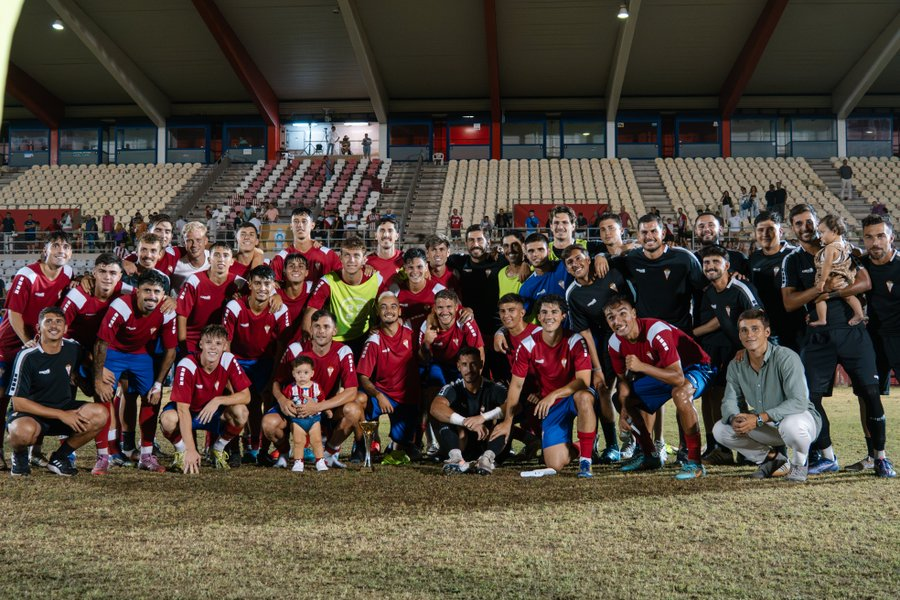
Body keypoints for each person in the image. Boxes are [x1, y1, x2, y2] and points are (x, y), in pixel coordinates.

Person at [782, 204, 888, 475]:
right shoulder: (792, 261)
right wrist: (820, 290)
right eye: (798, 223)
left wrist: (831, 294)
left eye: (809, 221)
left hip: (852, 332)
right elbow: (790, 303)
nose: (805, 228)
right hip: (818, 336)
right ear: (792, 228)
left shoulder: (842, 248)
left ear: (818, 223)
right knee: (810, 399)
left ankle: (879, 457)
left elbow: (865, 283)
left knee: (870, 393)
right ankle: (828, 456)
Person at [604, 295, 713, 480]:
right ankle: (650, 455)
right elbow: (623, 381)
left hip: (696, 367)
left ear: (634, 313)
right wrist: (624, 408)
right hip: (663, 372)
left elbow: (678, 378)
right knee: (623, 399)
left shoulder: (656, 331)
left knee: (680, 393)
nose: (617, 321)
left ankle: (695, 462)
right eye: (611, 317)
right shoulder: (614, 343)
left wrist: (641, 366)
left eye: (622, 314)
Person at [490, 295, 596, 478]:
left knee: (584, 397)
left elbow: (583, 382)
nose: (549, 317)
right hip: (551, 405)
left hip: (572, 396)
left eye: (554, 312)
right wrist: (507, 421)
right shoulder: (528, 345)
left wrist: (553, 394)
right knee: (554, 463)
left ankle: (586, 461)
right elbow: (516, 385)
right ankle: (584, 444)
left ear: (563, 316)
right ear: (538, 317)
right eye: (544, 312)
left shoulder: (575, 341)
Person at [713, 309, 822, 483]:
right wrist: (734, 418)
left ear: (767, 332)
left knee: (791, 425)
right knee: (721, 430)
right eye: (744, 330)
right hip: (768, 424)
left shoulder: (786, 357)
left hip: (800, 420)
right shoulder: (736, 364)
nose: (749, 335)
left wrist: (758, 418)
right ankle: (773, 460)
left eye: (755, 329)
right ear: (739, 335)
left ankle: (799, 464)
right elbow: (730, 400)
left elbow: (799, 401)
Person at [0, 231, 73, 465]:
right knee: (2, 397)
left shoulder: (68, 273)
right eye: (55, 245)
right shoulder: (27, 275)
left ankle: (35, 452)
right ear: (45, 250)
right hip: (9, 345)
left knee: (40, 396)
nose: (61, 250)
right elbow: (14, 313)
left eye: (66, 246)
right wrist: (26, 341)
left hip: (36, 348)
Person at [6, 307, 107, 477]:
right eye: (48, 321)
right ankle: (20, 456)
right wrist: (61, 414)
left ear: (65, 328)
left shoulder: (72, 347)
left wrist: (103, 372)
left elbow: (90, 360)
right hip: (31, 415)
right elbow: (18, 403)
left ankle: (59, 457)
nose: (54, 325)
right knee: (21, 432)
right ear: (38, 328)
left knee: (100, 413)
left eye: (59, 321)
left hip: (63, 407)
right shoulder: (27, 355)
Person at [93, 270, 178, 473]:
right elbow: (101, 343)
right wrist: (98, 378)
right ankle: (103, 456)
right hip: (114, 352)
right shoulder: (122, 306)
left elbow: (171, 351)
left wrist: (158, 384)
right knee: (103, 396)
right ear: (137, 291)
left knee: (152, 397)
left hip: (141, 354)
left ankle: (146, 455)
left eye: (156, 292)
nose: (152, 296)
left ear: (163, 295)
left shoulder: (167, 311)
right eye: (147, 290)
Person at [60, 253, 134, 474]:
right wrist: (78, 366)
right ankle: (65, 453)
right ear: (93, 273)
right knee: (65, 397)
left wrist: (169, 300)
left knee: (105, 393)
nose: (107, 277)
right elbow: (59, 330)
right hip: (71, 350)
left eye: (112, 272)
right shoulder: (78, 295)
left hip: (102, 351)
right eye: (102, 271)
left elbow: (150, 296)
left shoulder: (126, 291)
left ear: (119, 276)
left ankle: (110, 451)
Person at [693, 245, 762, 466]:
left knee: (738, 399)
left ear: (727, 265)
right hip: (721, 351)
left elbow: (759, 319)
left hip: (745, 352)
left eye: (716, 262)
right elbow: (718, 321)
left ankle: (749, 450)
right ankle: (720, 449)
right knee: (712, 395)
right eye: (706, 263)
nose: (710, 266)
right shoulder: (710, 292)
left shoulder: (741, 288)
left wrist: (747, 347)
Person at [266, 310, 362, 468]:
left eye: (326, 326)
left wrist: (318, 406)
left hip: (326, 409)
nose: (321, 331)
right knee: (269, 424)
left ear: (334, 331)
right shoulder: (296, 349)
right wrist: (282, 400)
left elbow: (351, 391)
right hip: (297, 409)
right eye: (317, 326)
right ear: (310, 329)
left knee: (354, 410)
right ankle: (284, 452)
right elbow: (276, 382)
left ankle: (329, 453)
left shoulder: (343, 351)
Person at [562, 244, 628, 463]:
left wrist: (602, 254)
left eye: (578, 258)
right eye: (569, 262)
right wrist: (597, 368)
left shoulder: (609, 270)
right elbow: (586, 334)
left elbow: (627, 249)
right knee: (603, 389)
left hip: (629, 336)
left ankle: (642, 444)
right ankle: (612, 446)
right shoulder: (573, 294)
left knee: (632, 389)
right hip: (603, 341)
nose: (575, 264)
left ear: (588, 259)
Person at [160, 325, 251, 473]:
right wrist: (190, 449)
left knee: (241, 412)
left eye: (218, 343)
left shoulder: (228, 359)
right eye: (208, 342)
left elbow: (246, 396)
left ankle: (218, 448)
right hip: (189, 413)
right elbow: (182, 410)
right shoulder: (186, 365)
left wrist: (218, 400)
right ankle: (181, 452)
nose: (213, 347)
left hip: (213, 413)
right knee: (168, 420)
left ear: (225, 346)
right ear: (201, 344)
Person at [223, 265, 290, 463]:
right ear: (250, 285)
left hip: (265, 362)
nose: (262, 288)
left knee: (267, 399)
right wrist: (229, 373)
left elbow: (282, 348)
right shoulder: (235, 306)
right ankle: (233, 449)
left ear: (273, 286)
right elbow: (226, 344)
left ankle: (261, 451)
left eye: (267, 284)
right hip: (238, 361)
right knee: (235, 400)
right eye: (258, 283)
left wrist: (274, 377)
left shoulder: (280, 309)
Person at [614, 213, 705, 333]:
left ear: (663, 233)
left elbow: (701, 293)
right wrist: (602, 255)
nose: (649, 236)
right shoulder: (632, 258)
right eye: (644, 232)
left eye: (653, 231)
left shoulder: (685, 258)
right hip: (646, 330)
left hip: (678, 330)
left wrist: (697, 327)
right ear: (638, 236)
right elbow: (611, 260)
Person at [858, 215, 899, 476]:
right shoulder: (860, 265)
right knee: (867, 395)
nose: (875, 242)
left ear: (891, 237)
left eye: (881, 236)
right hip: (872, 339)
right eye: (869, 237)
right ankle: (874, 455)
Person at [357, 292, 421, 461]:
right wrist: (378, 395)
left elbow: (434, 314)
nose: (389, 311)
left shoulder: (412, 332)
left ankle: (401, 443)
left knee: (404, 443)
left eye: (393, 306)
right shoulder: (374, 340)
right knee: (358, 400)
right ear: (378, 312)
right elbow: (363, 377)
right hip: (381, 393)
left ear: (400, 311)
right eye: (383, 307)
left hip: (405, 398)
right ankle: (362, 445)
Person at [431, 347, 508, 475]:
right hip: (462, 443)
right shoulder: (454, 387)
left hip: (488, 442)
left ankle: (487, 459)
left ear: (481, 365)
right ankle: (456, 459)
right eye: (464, 365)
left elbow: (514, 406)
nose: (469, 369)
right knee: (444, 418)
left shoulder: (493, 388)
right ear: (458, 366)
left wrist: (483, 418)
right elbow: (435, 407)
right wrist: (465, 422)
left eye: (473, 364)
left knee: (506, 421)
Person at [304, 235, 383, 356]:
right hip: (334, 339)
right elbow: (310, 311)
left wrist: (380, 326)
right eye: (347, 255)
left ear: (364, 260)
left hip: (363, 336)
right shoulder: (328, 281)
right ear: (340, 258)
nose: (351, 260)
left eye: (356, 255)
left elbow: (387, 303)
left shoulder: (376, 279)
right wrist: (310, 339)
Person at [177, 242, 245, 355]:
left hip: (221, 343)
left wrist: (275, 296)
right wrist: (183, 346)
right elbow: (181, 315)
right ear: (209, 260)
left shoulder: (239, 283)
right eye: (217, 255)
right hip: (192, 342)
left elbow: (262, 292)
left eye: (225, 255)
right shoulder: (195, 280)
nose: (221, 259)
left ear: (232, 261)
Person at [748, 212, 804, 350]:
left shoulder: (796, 255)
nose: (765, 234)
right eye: (760, 230)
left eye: (770, 229)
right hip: (767, 327)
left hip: (796, 326)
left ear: (780, 231)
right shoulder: (754, 258)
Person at [809, 215, 864, 327]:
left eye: (822, 232)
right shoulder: (846, 246)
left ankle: (822, 319)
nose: (820, 236)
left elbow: (827, 265)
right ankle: (859, 313)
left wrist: (822, 281)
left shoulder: (830, 248)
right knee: (848, 296)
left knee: (819, 299)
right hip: (844, 278)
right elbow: (856, 253)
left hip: (832, 277)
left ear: (834, 231)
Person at [269, 207, 342, 282]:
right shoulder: (280, 258)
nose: (300, 225)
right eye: (296, 221)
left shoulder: (329, 255)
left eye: (304, 221)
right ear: (291, 226)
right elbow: (272, 286)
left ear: (312, 225)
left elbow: (343, 282)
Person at [284, 356, 327, 472]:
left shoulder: (316, 387)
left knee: (317, 440)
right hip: (298, 420)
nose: (302, 376)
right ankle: (298, 461)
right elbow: (286, 402)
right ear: (293, 373)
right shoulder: (291, 388)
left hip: (314, 419)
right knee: (298, 442)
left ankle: (320, 460)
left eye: (306, 372)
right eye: (299, 372)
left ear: (312, 373)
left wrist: (328, 411)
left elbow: (322, 400)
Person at [387, 248, 445, 330]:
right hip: (403, 336)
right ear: (405, 268)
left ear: (426, 267)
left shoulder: (439, 290)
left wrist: (464, 310)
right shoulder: (394, 290)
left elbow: (455, 310)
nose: (415, 271)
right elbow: (384, 316)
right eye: (411, 267)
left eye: (419, 267)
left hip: (430, 335)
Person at [518, 233, 571, 315]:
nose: (535, 254)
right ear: (526, 255)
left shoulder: (565, 265)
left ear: (549, 251)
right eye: (531, 251)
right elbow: (522, 316)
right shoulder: (526, 288)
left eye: (540, 249)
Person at [171, 221, 210, 292]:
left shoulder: (215, 260)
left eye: (198, 240)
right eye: (189, 241)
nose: (194, 245)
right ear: (184, 243)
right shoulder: (176, 265)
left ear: (205, 241)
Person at [496, 232, 532, 299]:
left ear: (523, 247)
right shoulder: (501, 273)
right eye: (506, 246)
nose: (510, 250)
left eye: (515, 245)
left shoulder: (533, 270)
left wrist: (527, 262)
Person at [367, 216, 404, 280]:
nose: (386, 235)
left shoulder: (405, 260)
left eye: (390, 230)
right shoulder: (367, 262)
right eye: (382, 230)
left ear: (397, 236)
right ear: (376, 235)